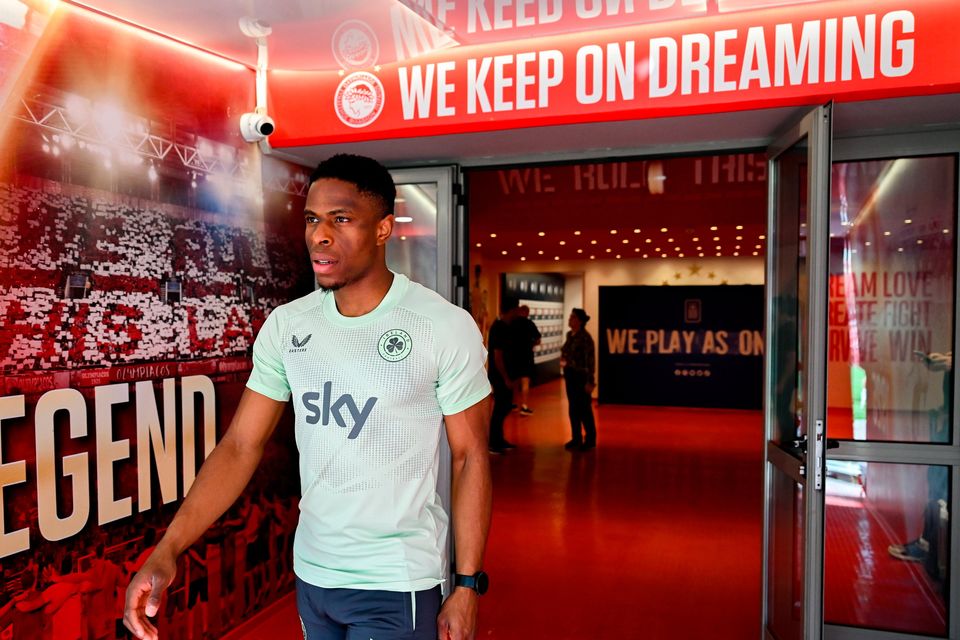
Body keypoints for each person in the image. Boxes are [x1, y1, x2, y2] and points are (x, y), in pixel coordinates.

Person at [124, 154, 493, 640]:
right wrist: (169, 548)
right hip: (314, 577)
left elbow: (470, 457)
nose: (320, 235)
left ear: (383, 229)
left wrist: (466, 585)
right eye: (313, 220)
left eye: (341, 220)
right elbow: (240, 446)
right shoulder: (288, 326)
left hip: (396, 582)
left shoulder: (441, 326)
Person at [888, 350, 950, 590]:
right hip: (948, 415)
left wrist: (948, 362)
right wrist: (944, 359)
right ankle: (929, 546)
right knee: (936, 482)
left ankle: (932, 550)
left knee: (941, 487)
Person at [560, 308, 597, 451]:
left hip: (581, 377)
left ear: (580, 321)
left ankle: (590, 439)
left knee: (584, 409)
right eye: (570, 316)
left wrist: (590, 381)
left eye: (573, 317)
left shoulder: (585, 338)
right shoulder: (570, 335)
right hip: (570, 376)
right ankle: (576, 438)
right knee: (573, 409)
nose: (570, 319)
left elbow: (590, 362)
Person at [487, 301, 520, 453]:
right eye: (516, 310)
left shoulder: (506, 327)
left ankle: (499, 439)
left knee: (505, 406)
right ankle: (494, 442)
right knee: (501, 408)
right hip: (500, 376)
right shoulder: (498, 328)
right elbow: (498, 356)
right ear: (511, 310)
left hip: (506, 375)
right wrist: (505, 377)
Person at [510, 305, 541, 416]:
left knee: (515, 381)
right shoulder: (530, 324)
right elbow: (538, 339)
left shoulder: (512, 323)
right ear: (527, 313)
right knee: (525, 381)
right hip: (526, 356)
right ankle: (524, 406)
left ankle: (513, 404)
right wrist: (531, 344)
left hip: (513, 356)